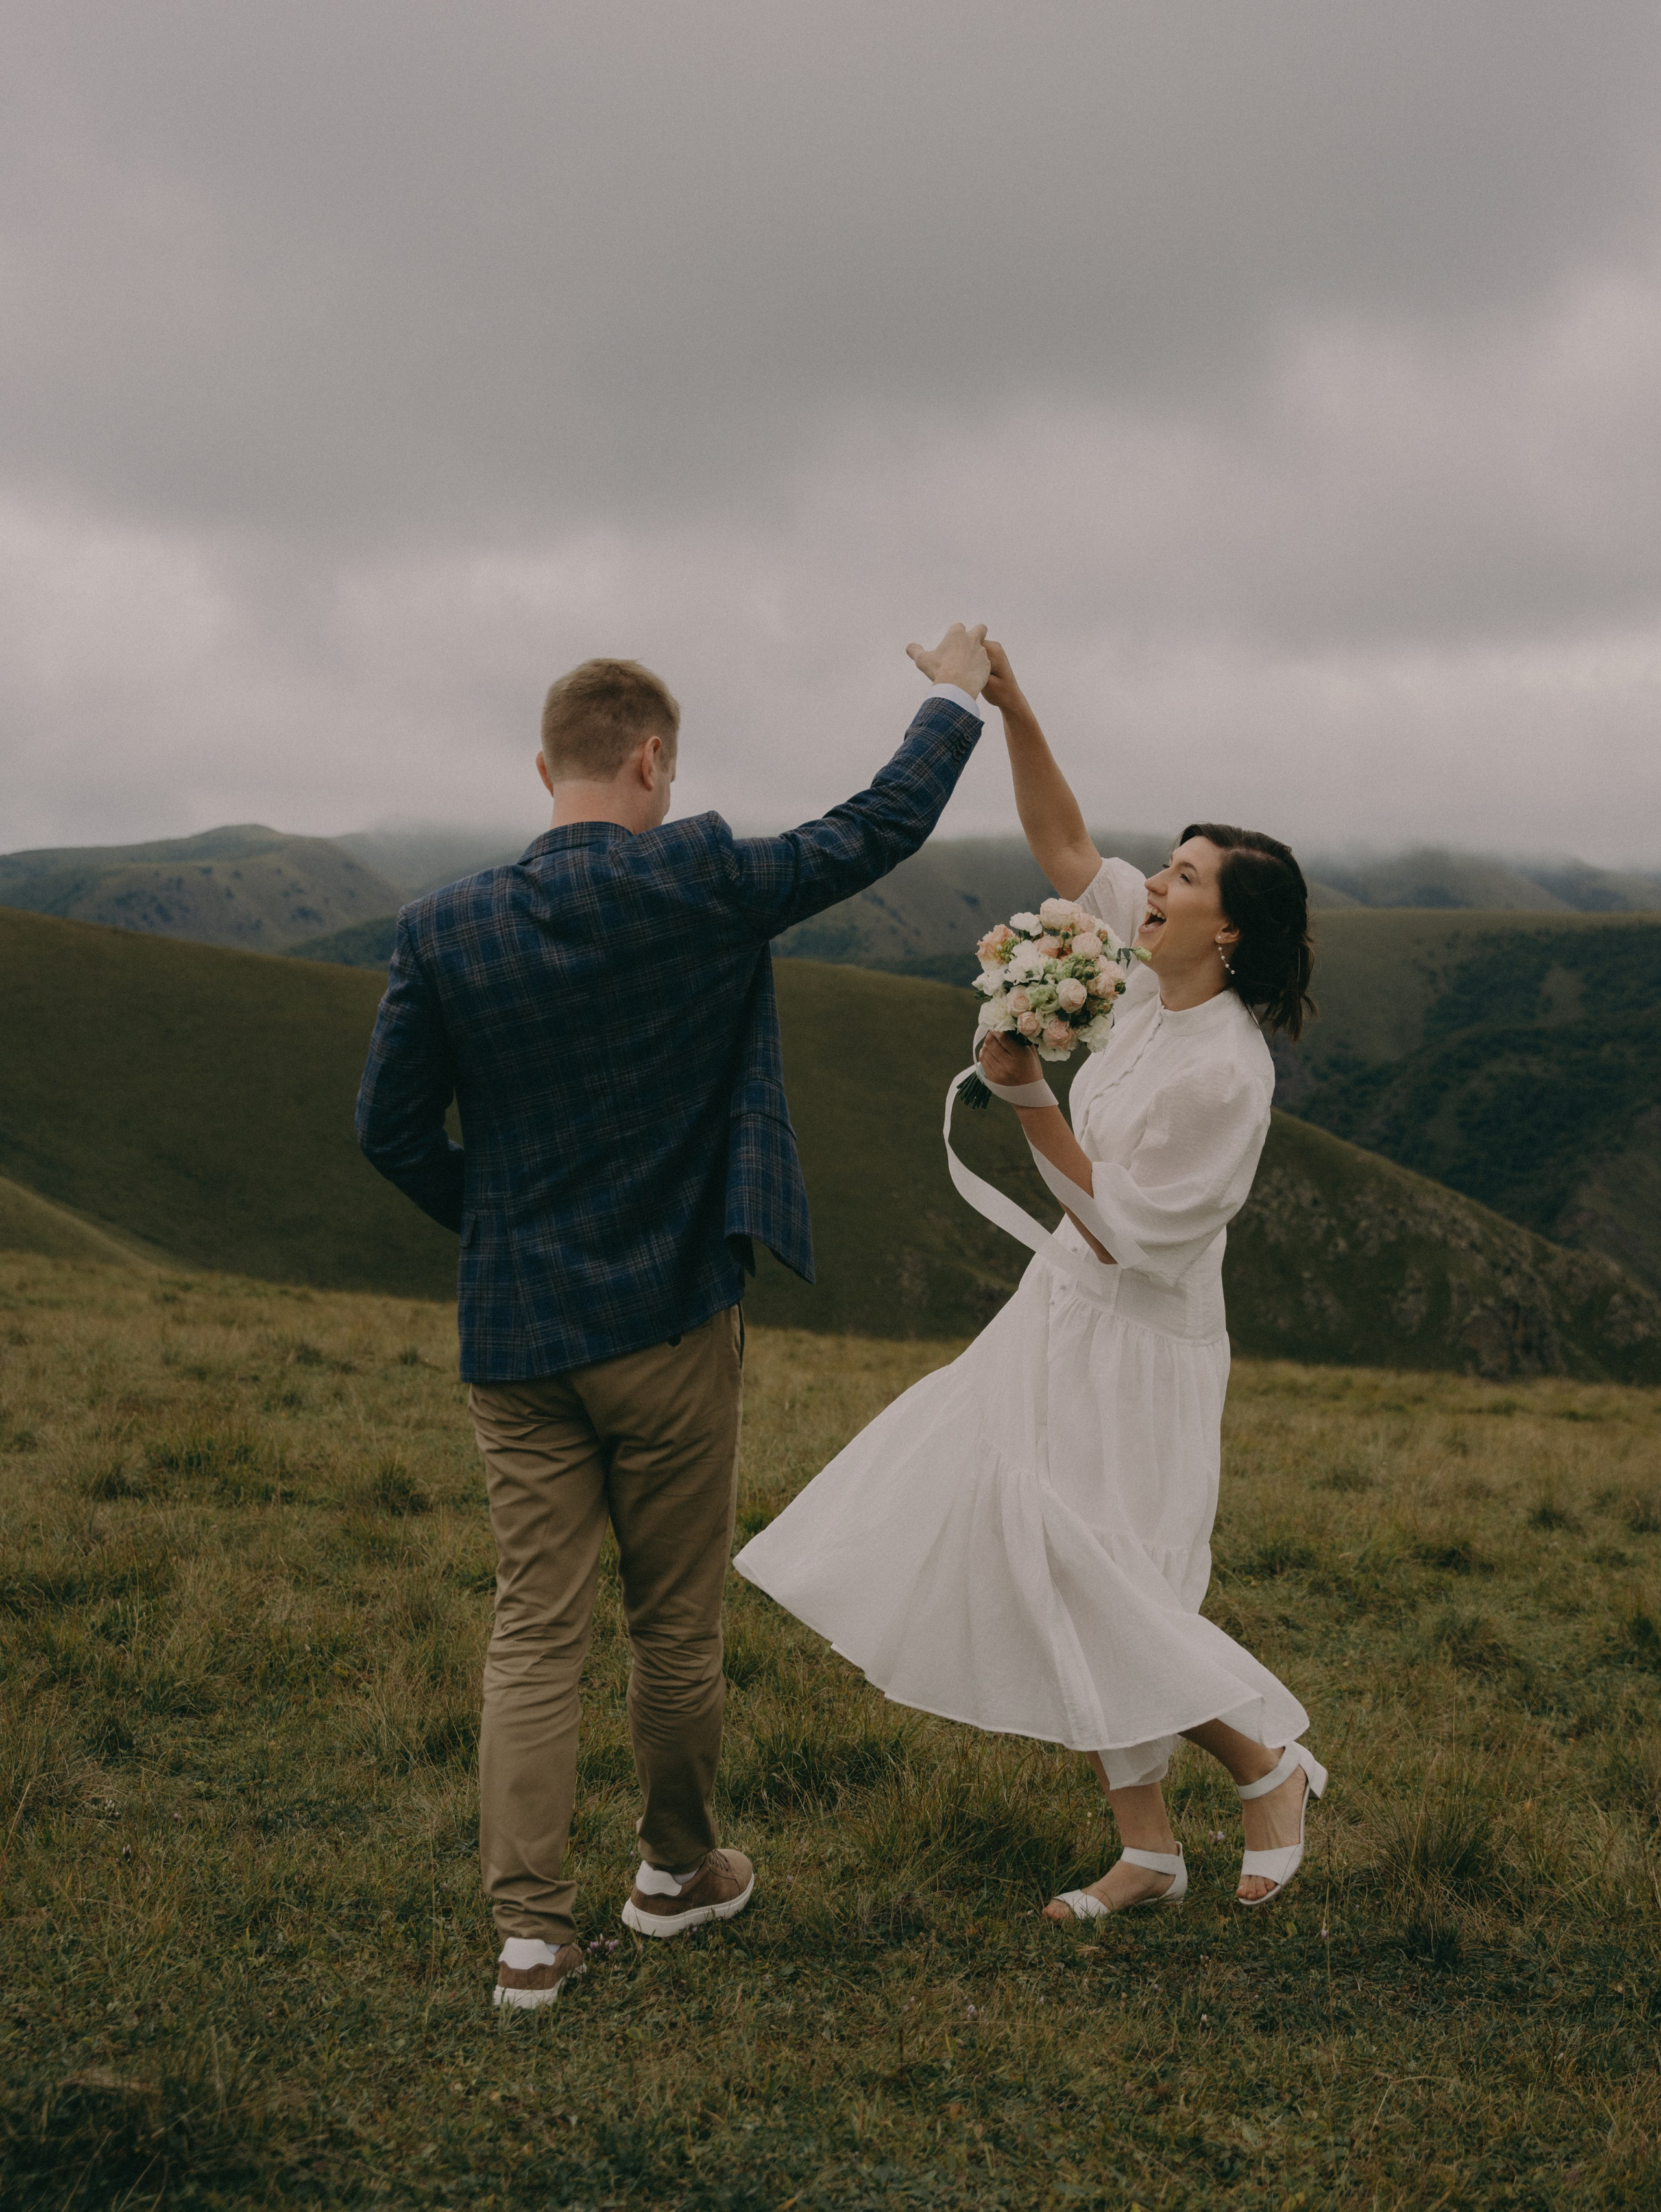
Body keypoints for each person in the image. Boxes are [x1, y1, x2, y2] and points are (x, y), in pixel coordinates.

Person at [356, 627, 993, 2006]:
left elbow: (387, 1128)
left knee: (533, 1625)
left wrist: (495, 1221)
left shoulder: (441, 924)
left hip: (514, 1332)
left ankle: (528, 1934)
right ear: (650, 760)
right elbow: (871, 828)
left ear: (545, 767)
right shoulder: (699, 877)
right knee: (671, 1624)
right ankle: (673, 1871)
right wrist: (955, 694)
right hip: (668, 1315)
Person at [735, 640, 1326, 1917]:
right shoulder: (1140, 970)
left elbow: (1133, 1233)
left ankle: (1263, 1762)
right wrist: (1010, 702)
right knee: (1030, 1538)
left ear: (1226, 926)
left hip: (1142, 1334)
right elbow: (1061, 843)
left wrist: (1018, 1097)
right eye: (1160, 869)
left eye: (1177, 876)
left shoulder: (1225, 1070)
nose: (1147, 884)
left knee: (1101, 1565)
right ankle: (1148, 1851)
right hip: (1055, 1310)